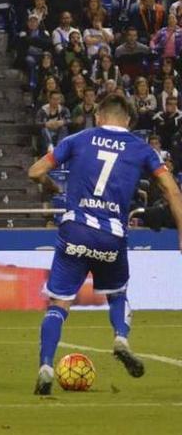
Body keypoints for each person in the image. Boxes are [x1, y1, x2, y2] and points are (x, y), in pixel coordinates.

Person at [28, 94, 182, 395]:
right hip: (111, 236)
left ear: (98, 116)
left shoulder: (78, 139)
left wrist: (51, 186)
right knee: (117, 293)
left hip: (75, 232)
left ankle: (46, 366)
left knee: (58, 304)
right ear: (128, 120)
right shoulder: (143, 149)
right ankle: (121, 338)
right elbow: (172, 191)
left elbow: (35, 171)